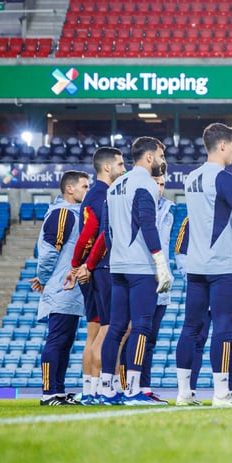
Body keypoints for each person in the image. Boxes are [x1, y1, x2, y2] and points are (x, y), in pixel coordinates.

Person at [98, 136, 172, 405]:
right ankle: (133, 389)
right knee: (141, 327)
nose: (163, 162)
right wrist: (161, 264)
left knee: (116, 328)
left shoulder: (115, 185)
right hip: (140, 267)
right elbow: (147, 224)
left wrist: (117, 257)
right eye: (161, 156)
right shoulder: (145, 183)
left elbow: (106, 231)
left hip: (117, 266)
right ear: (149, 157)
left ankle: (106, 389)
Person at [176, 123, 232, 407]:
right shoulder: (225, 178)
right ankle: (220, 393)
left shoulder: (191, 177)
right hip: (222, 264)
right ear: (223, 146)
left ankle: (183, 393)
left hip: (196, 264)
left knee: (190, 328)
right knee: (225, 329)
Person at [63, 146, 124, 404]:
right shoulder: (104, 194)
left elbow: (86, 235)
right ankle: (102, 389)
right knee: (109, 332)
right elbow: (96, 235)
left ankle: (90, 389)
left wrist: (78, 264)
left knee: (94, 333)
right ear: (107, 167)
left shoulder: (91, 196)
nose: (124, 169)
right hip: (102, 268)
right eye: (121, 165)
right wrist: (86, 264)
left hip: (91, 270)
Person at [33, 170, 89, 405]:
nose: (88, 190)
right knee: (57, 340)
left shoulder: (75, 213)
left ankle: (57, 391)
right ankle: (48, 393)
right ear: (70, 189)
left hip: (69, 289)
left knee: (64, 342)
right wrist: (44, 279)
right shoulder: (63, 213)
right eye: (84, 187)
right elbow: (47, 252)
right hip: (61, 287)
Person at [139, 163, 177, 403]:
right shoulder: (137, 207)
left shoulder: (169, 211)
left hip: (161, 284)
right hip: (140, 279)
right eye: (156, 183)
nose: (160, 188)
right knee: (134, 335)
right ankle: (125, 385)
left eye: (162, 184)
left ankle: (144, 387)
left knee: (150, 340)